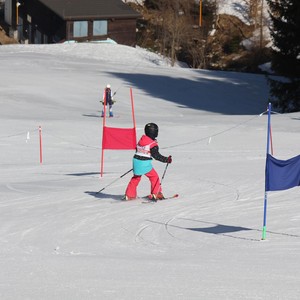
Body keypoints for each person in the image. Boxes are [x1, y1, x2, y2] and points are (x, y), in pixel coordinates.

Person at [124, 123, 172, 200]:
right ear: (154, 133)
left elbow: (139, 150)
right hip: (144, 163)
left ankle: (129, 195)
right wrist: (167, 160)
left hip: (136, 161)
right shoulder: (152, 144)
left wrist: (138, 164)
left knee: (136, 178)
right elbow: (156, 156)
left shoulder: (142, 140)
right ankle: (156, 193)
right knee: (154, 177)